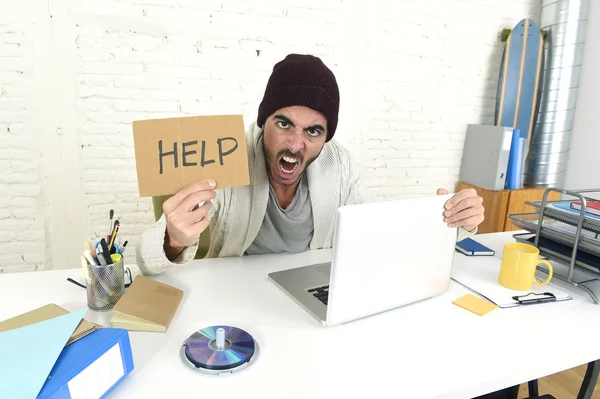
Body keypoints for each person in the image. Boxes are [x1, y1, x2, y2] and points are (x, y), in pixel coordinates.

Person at [136, 53, 485, 275]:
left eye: (313, 131)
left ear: (326, 137)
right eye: (284, 124)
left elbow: (371, 239)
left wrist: (449, 221)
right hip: (233, 298)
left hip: (307, 290)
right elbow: (144, 260)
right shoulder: (226, 154)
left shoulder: (340, 165)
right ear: (263, 121)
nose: (295, 144)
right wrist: (173, 239)